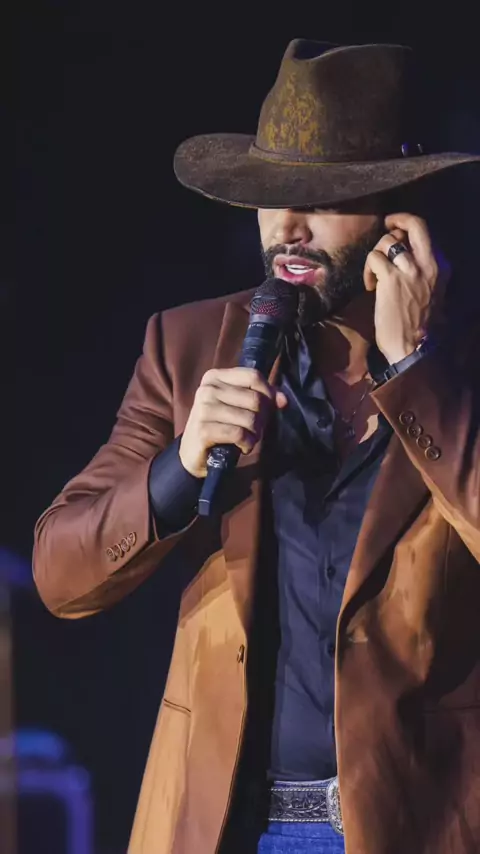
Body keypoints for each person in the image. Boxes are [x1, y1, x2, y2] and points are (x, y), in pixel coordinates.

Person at [33, 40, 480, 854]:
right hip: (227, 825)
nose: (289, 230)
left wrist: (413, 377)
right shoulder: (188, 347)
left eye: (321, 199)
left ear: (398, 213)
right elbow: (60, 575)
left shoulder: (461, 367)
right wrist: (178, 471)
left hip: (416, 824)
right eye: (272, 199)